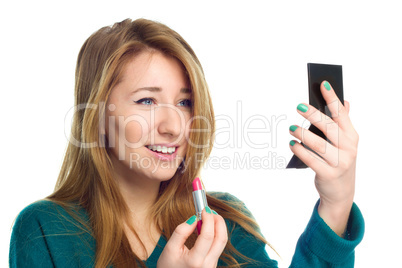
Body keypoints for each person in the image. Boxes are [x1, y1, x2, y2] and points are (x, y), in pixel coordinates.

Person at [9, 18, 364, 267]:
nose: (174, 126)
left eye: (185, 102)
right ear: (98, 113)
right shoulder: (45, 231)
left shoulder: (225, 224)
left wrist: (336, 203)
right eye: (147, 101)